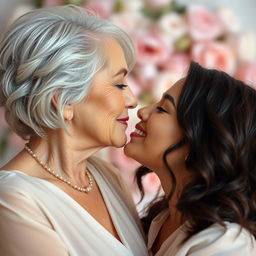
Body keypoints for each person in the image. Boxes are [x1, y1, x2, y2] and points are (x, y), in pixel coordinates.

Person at [0, 5, 148, 256]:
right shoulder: (13, 199)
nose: (133, 100)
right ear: (63, 99)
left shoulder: (107, 176)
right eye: (120, 83)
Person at [124, 62, 256, 255]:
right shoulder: (160, 218)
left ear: (199, 141)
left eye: (162, 109)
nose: (142, 112)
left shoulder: (226, 245)